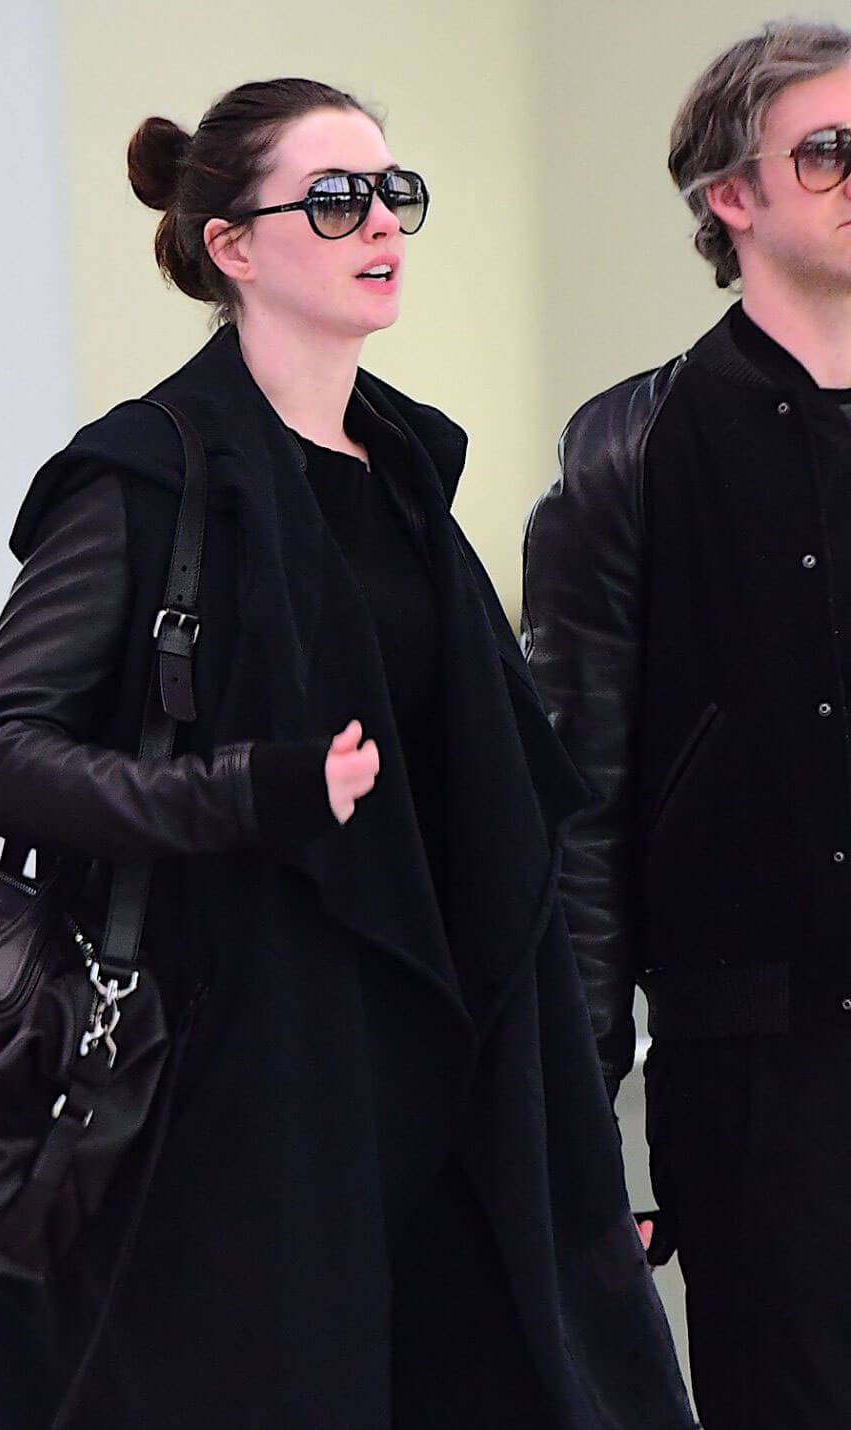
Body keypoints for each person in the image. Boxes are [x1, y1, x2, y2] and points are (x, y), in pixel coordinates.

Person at [0, 78, 692, 1430]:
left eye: (393, 194)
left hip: (451, 1090)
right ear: (233, 246)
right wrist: (250, 788)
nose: (381, 226)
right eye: (336, 197)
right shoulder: (144, 477)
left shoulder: (404, 475)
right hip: (239, 1101)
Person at [522, 20, 851, 1430]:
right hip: (752, 1074)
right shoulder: (628, 453)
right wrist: (576, 1111)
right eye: (829, 150)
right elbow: (576, 803)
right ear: (732, 197)